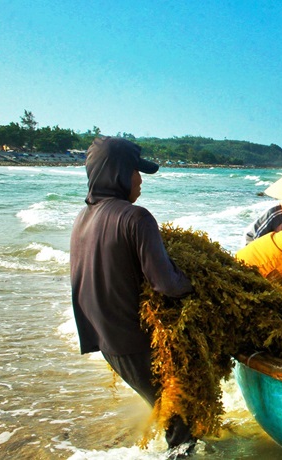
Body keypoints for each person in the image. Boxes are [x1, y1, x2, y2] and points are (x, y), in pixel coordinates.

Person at [70, 137, 195, 457]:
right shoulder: (135, 217)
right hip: (134, 340)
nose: (140, 181)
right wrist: (192, 282)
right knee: (182, 422)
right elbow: (165, 284)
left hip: (104, 340)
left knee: (173, 412)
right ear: (119, 174)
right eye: (136, 172)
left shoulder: (82, 219)